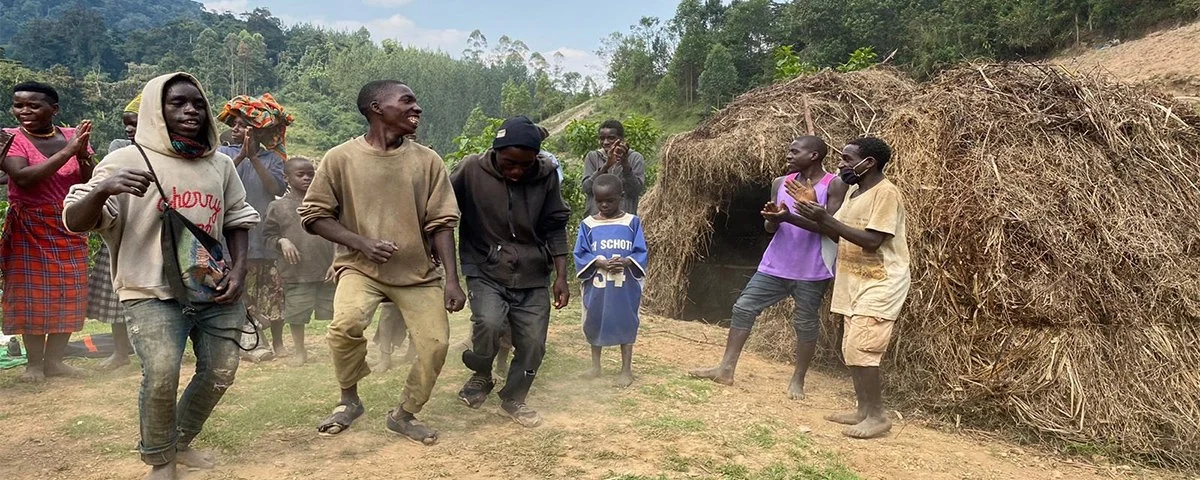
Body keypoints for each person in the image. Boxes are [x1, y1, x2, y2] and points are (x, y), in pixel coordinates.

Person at [64, 72, 259, 480]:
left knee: (222, 371)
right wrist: (103, 188)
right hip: (148, 290)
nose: (191, 110)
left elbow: (239, 218)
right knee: (161, 374)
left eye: (197, 103)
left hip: (214, 287)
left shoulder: (220, 164)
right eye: (177, 103)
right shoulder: (124, 160)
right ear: (156, 109)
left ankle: (181, 440)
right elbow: (77, 220)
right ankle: (160, 458)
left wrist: (240, 270)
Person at [301, 80, 463, 445]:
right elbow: (313, 215)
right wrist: (361, 243)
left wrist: (452, 280)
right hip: (361, 268)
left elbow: (442, 223)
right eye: (407, 100)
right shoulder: (339, 158)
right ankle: (349, 400)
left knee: (435, 345)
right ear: (377, 107)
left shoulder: (428, 161)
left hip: (418, 273)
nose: (416, 108)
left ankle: (404, 414)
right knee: (345, 325)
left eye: (416, 101)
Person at [690, 136, 845, 400]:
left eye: (795, 151)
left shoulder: (835, 184)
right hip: (775, 263)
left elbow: (832, 229)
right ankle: (726, 368)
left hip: (813, 267)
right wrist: (773, 219)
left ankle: (798, 380)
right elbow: (771, 228)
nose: (788, 155)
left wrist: (791, 216)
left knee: (805, 323)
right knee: (743, 307)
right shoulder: (780, 183)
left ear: (814, 155)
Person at [453, 115, 571, 428]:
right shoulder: (470, 170)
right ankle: (481, 374)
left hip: (534, 271)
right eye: (509, 163)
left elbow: (556, 225)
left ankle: (514, 398)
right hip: (484, 266)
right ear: (495, 153)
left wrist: (561, 276)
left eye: (525, 164)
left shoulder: (546, 175)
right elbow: (443, 209)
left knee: (533, 342)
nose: (517, 171)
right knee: (489, 323)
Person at [791, 136, 910, 439]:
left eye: (846, 158)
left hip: (881, 281)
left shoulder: (886, 194)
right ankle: (863, 410)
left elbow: (872, 241)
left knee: (863, 348)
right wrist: (807, 210)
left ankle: (879, 416)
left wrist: (823, 216)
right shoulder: (856, 194)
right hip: (854, 281)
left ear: (868, 163)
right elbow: (834, 233)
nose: (840, 164)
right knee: (852, 348)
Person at [1, 81, 94, 382]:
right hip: (28, 225)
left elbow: (90, 180)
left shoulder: (74, 137)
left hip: (69, 221)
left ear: (54, 109)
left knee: (69, 290)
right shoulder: (10, 139)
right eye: (19, 105)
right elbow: (24, 178)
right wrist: (70, 151)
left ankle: (55, 361)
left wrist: (82, 155)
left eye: (33, 105)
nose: (24, 111)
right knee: (32, 293)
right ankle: (34, 365)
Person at [217, 93, 290, 359]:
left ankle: (279, 342)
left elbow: (276, 188)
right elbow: (218, 182)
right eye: (233, 124)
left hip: (263, 236)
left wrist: (254, 158)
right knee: (241, 293)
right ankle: (250, 342)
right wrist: (240, 158)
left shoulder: (272, 158)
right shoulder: (223, 154)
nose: (234, 129)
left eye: (239, 124)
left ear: (256, 129)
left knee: (272, 293)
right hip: (233, 238)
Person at [574, 173, 648, 388]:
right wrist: (599, 263)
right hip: (597, 287)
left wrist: (627, 261)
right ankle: (595, 366)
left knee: (626, 321)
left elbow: (641, 251)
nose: (604, 205)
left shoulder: (632, 222)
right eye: (600, 201)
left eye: (610, 200)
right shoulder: (588, 225)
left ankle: (626, 369)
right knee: (595, 320)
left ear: (621, 197)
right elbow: (580, 254)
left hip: (624, 287)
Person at [262, 156, 335, 367]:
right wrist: (282, 241)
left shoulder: (326, 202)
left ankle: (335, 348)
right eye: (300, 175)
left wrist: (336, 261)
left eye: (310, 175)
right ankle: (300, 351)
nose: (306, 179)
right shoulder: (277, 207)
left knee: (334, 311)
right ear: (286, 178)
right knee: (296, 314)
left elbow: (341, 233)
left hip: (327, 269)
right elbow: (267, 236)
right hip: (296, 271)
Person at [92, 92, 143, 370]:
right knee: (116, 296)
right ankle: (120, 352)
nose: (129, 129)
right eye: (126, 124)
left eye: (135, 123)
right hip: (118, 228)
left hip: (149, 231)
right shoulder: (119, 147)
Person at [581, 119, 645, 216]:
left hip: (623, 221)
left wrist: (625, 165)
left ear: (622, 139)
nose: (605, 142)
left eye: (611, 138)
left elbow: (635, 191)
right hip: (596, 221)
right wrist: (606, 165)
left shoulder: (634, 158)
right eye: (602, 138)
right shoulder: (592, 157)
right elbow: (587, 188)